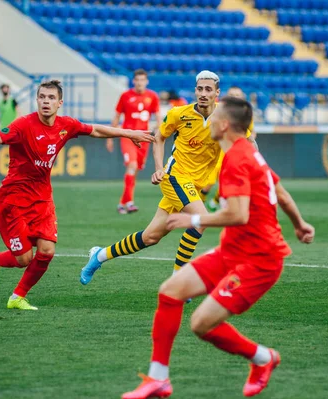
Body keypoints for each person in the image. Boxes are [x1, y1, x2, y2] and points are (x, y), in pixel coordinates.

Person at [121, 96, 315, 399]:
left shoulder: (237, 159)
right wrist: (300, 223)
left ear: (224, 125)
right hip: (233, 251)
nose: (207, 121)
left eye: (214, 118)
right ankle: (158, 378)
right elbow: (281, 192)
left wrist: (192, 218)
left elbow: (238, 215)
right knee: (170, 291)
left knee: (200, 324)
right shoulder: (247, 153)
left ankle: (263, 358)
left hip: (259, 261)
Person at [0, 80, 154, 311]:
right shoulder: (23, 125)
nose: (46, 101)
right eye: (42, 97)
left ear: (59, 103)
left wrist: (128, 132)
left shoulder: (66, 125)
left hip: (42, 199)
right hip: (14, 199)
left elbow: (96, 130)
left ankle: (17, 297)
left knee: (46, 251)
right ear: (37, 100)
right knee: (23, 259)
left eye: (51, 98)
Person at [80, 71, 222, 285]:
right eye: (200, 89)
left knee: (150, 237)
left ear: (217, 93)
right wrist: (158, 168)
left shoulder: (228, 116)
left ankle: (99, 255)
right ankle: (179, 279)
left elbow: (249, 143)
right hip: (175, 177)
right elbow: (159, 136)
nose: (203, 93)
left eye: (208, 89)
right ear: (195, 90)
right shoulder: (178, 114)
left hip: (194, 185)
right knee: (201, 219)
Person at [107, 69, 162, 214]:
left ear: (146, 81)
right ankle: (130, 202)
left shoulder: (152, 96)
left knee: (135, 170)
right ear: (133, 81)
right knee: (132, 165)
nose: (140, 83)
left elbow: (158, 117)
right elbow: (117, 116)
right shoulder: (125, 96)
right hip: (128, 136)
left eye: (142, 80)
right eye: (137, 80)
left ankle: (122, 203)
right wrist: (110, 138)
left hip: (144, 137)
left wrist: (160, 132)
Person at [200, 86, 257, 212]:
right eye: (232, 94)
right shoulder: (218, 109)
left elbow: (250, 133)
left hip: (232, 150)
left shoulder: (246, 113)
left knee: (227, 178)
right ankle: (200, 204)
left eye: (237, 94)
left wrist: (249, 147)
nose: (234, 97)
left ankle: (216, 202)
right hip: (217, 149)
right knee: (209, 179)